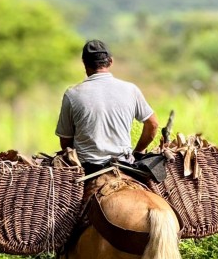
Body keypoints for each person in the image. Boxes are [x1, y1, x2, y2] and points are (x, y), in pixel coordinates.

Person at [55, 39, 158, 175]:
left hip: (87, 170)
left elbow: (65, 141)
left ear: (84, 63)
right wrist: (137, 152)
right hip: (124, 165)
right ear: (110, 61)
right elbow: (153, 124)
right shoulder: (131, 90)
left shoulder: (72, 94)